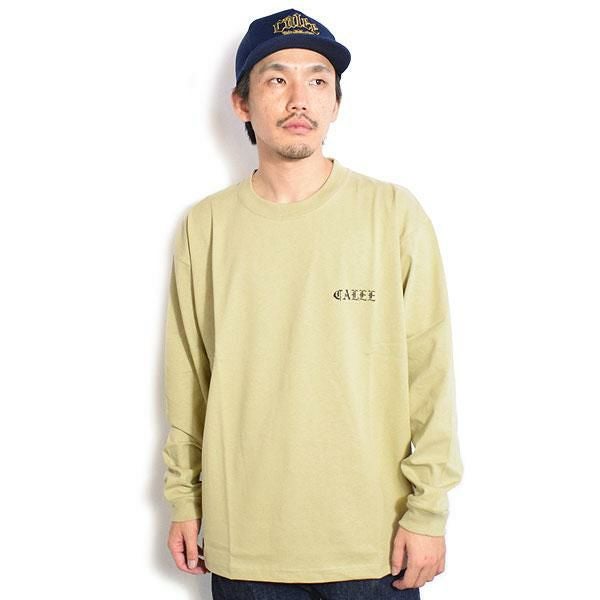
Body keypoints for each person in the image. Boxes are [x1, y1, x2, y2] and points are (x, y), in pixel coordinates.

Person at [161, 8, 463, 599]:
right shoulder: (206, 226)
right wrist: (183, 499)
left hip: (373, 544)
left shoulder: (392, 214)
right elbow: (188, 377)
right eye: (277, 78)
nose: (299, 98)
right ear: (242, 103)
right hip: (245, 545)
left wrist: (429, 511)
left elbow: (431, 373)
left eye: (318, 80)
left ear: (336, 103)